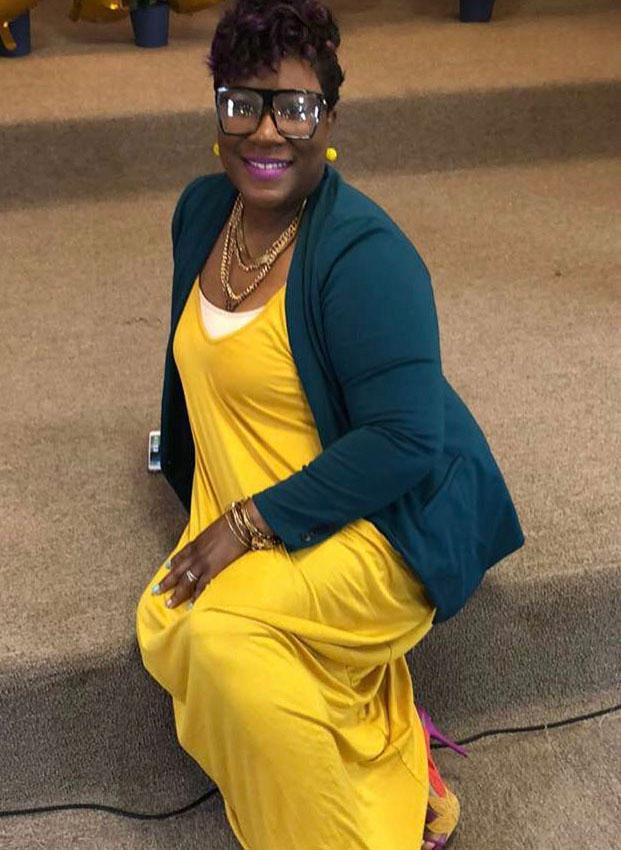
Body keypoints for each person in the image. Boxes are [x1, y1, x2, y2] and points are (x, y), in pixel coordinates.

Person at [135, 1, 525, 849]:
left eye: (294, 107)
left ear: (329, 120)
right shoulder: (201, 213)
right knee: (166, 624)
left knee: (223, 640)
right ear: (218, 113)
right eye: (243, 103)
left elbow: (404, 441)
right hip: (258, 496)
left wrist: (250, 521)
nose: (265, 131)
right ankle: (391, 753)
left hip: (378, 525)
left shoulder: (363, 254)